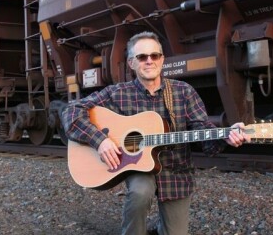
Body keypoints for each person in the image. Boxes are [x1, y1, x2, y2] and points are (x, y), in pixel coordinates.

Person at [62, 31, 250, 235]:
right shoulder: (117, 93)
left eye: (155, 55)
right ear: (131, 63)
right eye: (142, 57)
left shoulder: (183, 91)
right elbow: (71, 111)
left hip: (176, 173)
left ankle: (158, 228)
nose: (149, 61)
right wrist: (100, 141)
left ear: (162, 60)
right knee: (140, 192)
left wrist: (226, 137)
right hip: (139, 169)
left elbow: (205, 137)